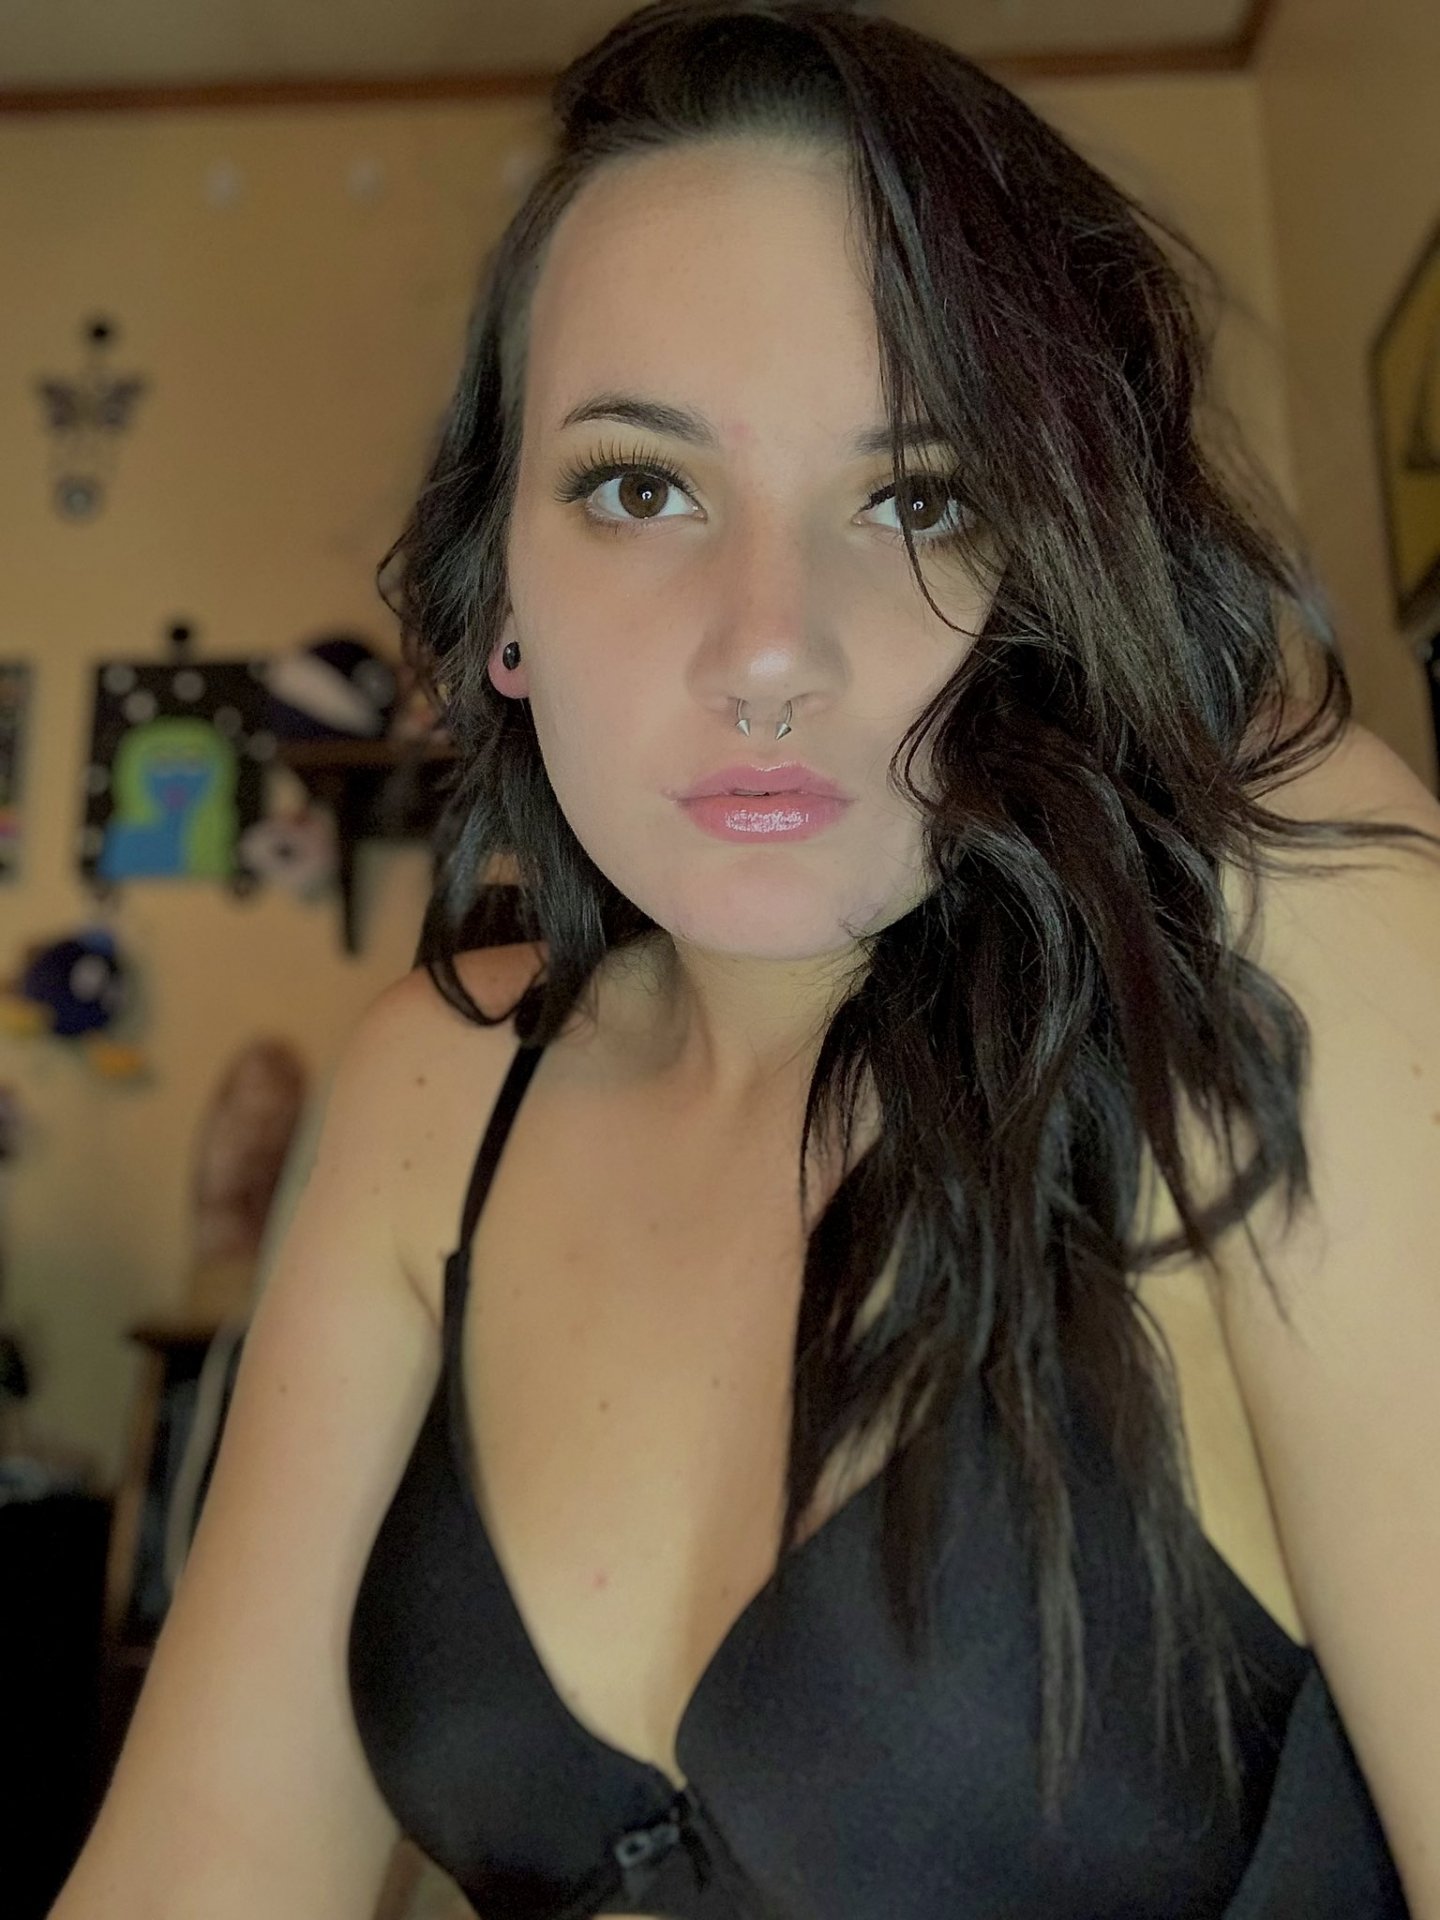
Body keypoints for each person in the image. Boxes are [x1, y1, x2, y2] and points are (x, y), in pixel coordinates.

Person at [51, 3, 1440, 1917]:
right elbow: (193, 1876)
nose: (769, 643)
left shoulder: (1270, 942)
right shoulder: (436, 1085)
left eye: (920, 495)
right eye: (642, 486)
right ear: (501, 590)